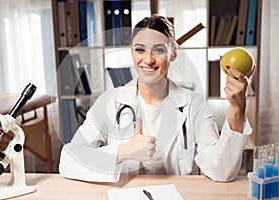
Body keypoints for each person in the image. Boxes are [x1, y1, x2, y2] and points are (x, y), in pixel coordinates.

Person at [59, 15, 255, 183]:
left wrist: (237, 110)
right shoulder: (110, 102)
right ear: (132, 52)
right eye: (140, 50)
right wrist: (122, 152)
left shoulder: (194, 104)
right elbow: (68, 161)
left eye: (159, 50)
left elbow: (221, 171)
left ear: (173, 53)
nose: (148, 60)